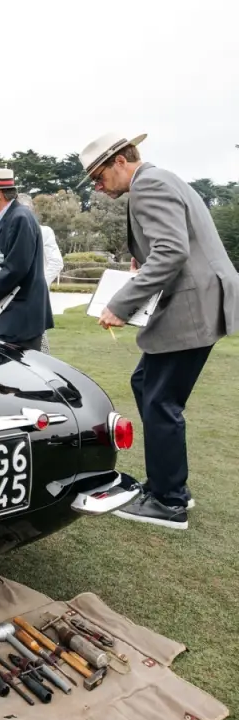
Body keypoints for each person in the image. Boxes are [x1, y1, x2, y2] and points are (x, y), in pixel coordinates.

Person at [79, 130, 239, 530]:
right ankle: (170, 486)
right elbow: (172, 246)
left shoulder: (148, 183)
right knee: (146, 385)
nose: (98, 187)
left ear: (120, 160)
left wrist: (121, 302)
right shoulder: (163, 179)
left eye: (99, 177)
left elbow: (171, 251)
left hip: (191, 306)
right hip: (199, 301)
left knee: (159, 400)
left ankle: (168, 502)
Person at [0, 167, 53, 350]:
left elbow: (15, 269)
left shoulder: (19, 218)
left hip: (20, 318)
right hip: (11, 315)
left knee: (17, 375)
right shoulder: (8, 218)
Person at [16, 192, 64, 352]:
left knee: (39, 347)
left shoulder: (44, 232)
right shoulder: (8, 231)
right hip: (11, 302)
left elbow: (56, 262)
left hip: (34, 300)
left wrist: (38, 285)